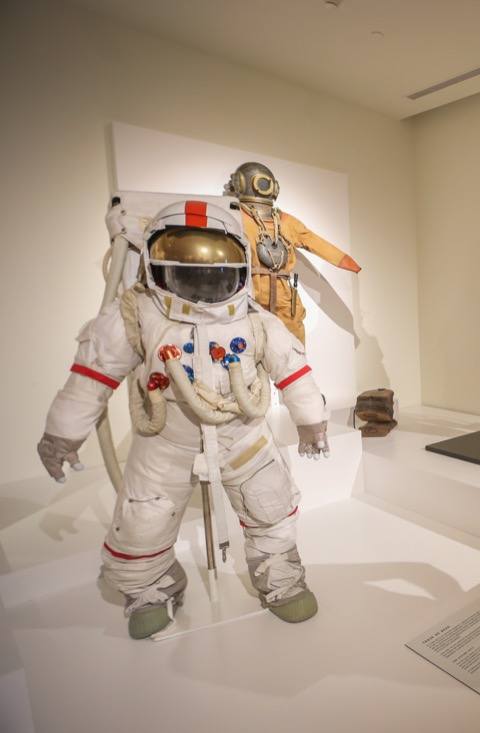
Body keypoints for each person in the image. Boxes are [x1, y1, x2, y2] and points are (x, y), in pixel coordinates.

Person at [37, 200, 330, 639]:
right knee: (143, 522)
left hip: (243, 438)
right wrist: (63, 434)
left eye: (215, 269)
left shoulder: (254, 318)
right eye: (186, 269)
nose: (203, 279)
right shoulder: (138, 314)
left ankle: (280, 579)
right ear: (157, 264)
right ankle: (154, 586)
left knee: (270, 507)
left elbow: (294, 369)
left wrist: (311, 420)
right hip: (165, 443)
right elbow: (91, 378)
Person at [225, 161, 361, 343]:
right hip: (250, 291)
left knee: (293, 345)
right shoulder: (235, 216)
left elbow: (313, 241)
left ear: (240, 183)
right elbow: (314, 240)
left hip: (282, 296)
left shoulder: (285, 221)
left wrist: (345, 261)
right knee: (251, 343)